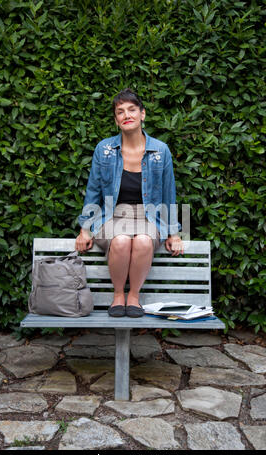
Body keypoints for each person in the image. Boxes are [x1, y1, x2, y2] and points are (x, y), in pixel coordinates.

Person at [75, 88, 183, 318]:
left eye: (132, 110)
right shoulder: (104, 150)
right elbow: (93, 190)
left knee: (143, 242)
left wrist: (173, 233)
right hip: (111, 217)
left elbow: (168, 193)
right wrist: (85, 229)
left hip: (148, 216)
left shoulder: (160, 151)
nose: (127, 115)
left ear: (142, 114)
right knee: (121, 240)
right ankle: (118, 296)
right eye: (120, 112)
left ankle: (133, 296)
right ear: (116, 119)